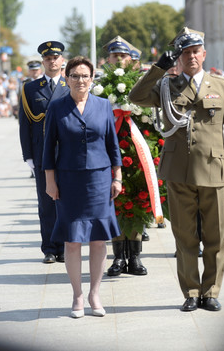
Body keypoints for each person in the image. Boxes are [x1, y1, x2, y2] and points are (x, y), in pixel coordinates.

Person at [129, 27, 224, 312]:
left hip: (213, 169)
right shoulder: (167, 85)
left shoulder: (223, 86)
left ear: (204, 54)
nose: (191, 57)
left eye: (195, 52)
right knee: (185, 236)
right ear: (178, 57)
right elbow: (136, 97)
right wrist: (158, 69)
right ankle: (191, 292)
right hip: (179, 171)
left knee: (216, 236)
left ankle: (211, 291)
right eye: (185, 53)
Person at [43, 55, 122, 318]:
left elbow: (113, 144)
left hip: (99, 180)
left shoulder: (103, 106)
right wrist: (50, 181)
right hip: (69, 180)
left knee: (99, 240)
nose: (80, 80)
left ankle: (94, 294)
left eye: (85, 75)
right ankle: (77, 295)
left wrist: (117, 176)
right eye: (74, 75)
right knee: (73, 241)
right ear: (66, 78)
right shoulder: (57, 107)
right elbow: (48, 149)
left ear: (92, 78)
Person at [101, 35, 149, 277]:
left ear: (131, 60)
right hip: (111, 152)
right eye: (115, 56)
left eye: (123, 56)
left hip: (137, 150)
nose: (119, 59)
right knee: (116, 203)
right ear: (107, 60)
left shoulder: (141, 84)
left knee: (139, 200)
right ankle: (119, 257)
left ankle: (136, 257)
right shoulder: (99, 87)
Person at [18, 41, 69, 264]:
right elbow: (24, 124)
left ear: (62, 60)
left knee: (66, 203)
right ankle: (49, 247)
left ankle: (65, 246)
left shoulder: (71, 85)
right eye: (48, 58)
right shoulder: (31, 88)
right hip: (42, 153)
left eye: (56, 58)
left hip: (67, 153)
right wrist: (28, 155)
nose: (52, 61)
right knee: (46, 203)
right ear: (43, 62)